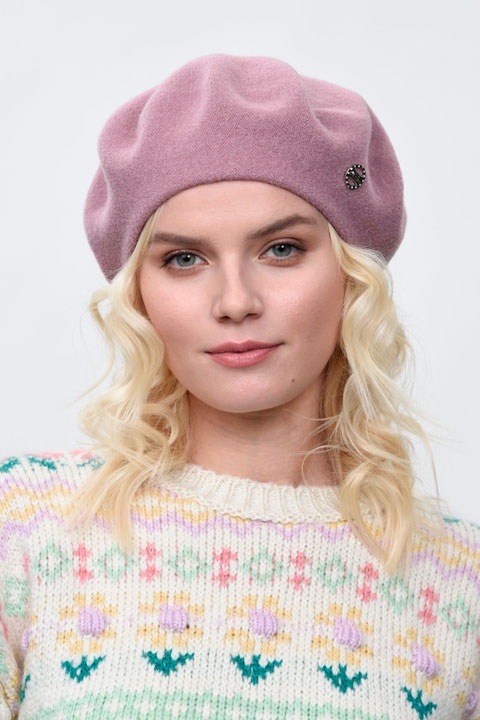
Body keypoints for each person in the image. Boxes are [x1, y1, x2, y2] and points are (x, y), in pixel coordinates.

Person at [0, 54, 478, 720]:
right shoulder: (25, 527)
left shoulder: (462, 585)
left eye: (281, 249)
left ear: (352, 275)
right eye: (183, 259)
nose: (234, 302)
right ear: (139, 294)